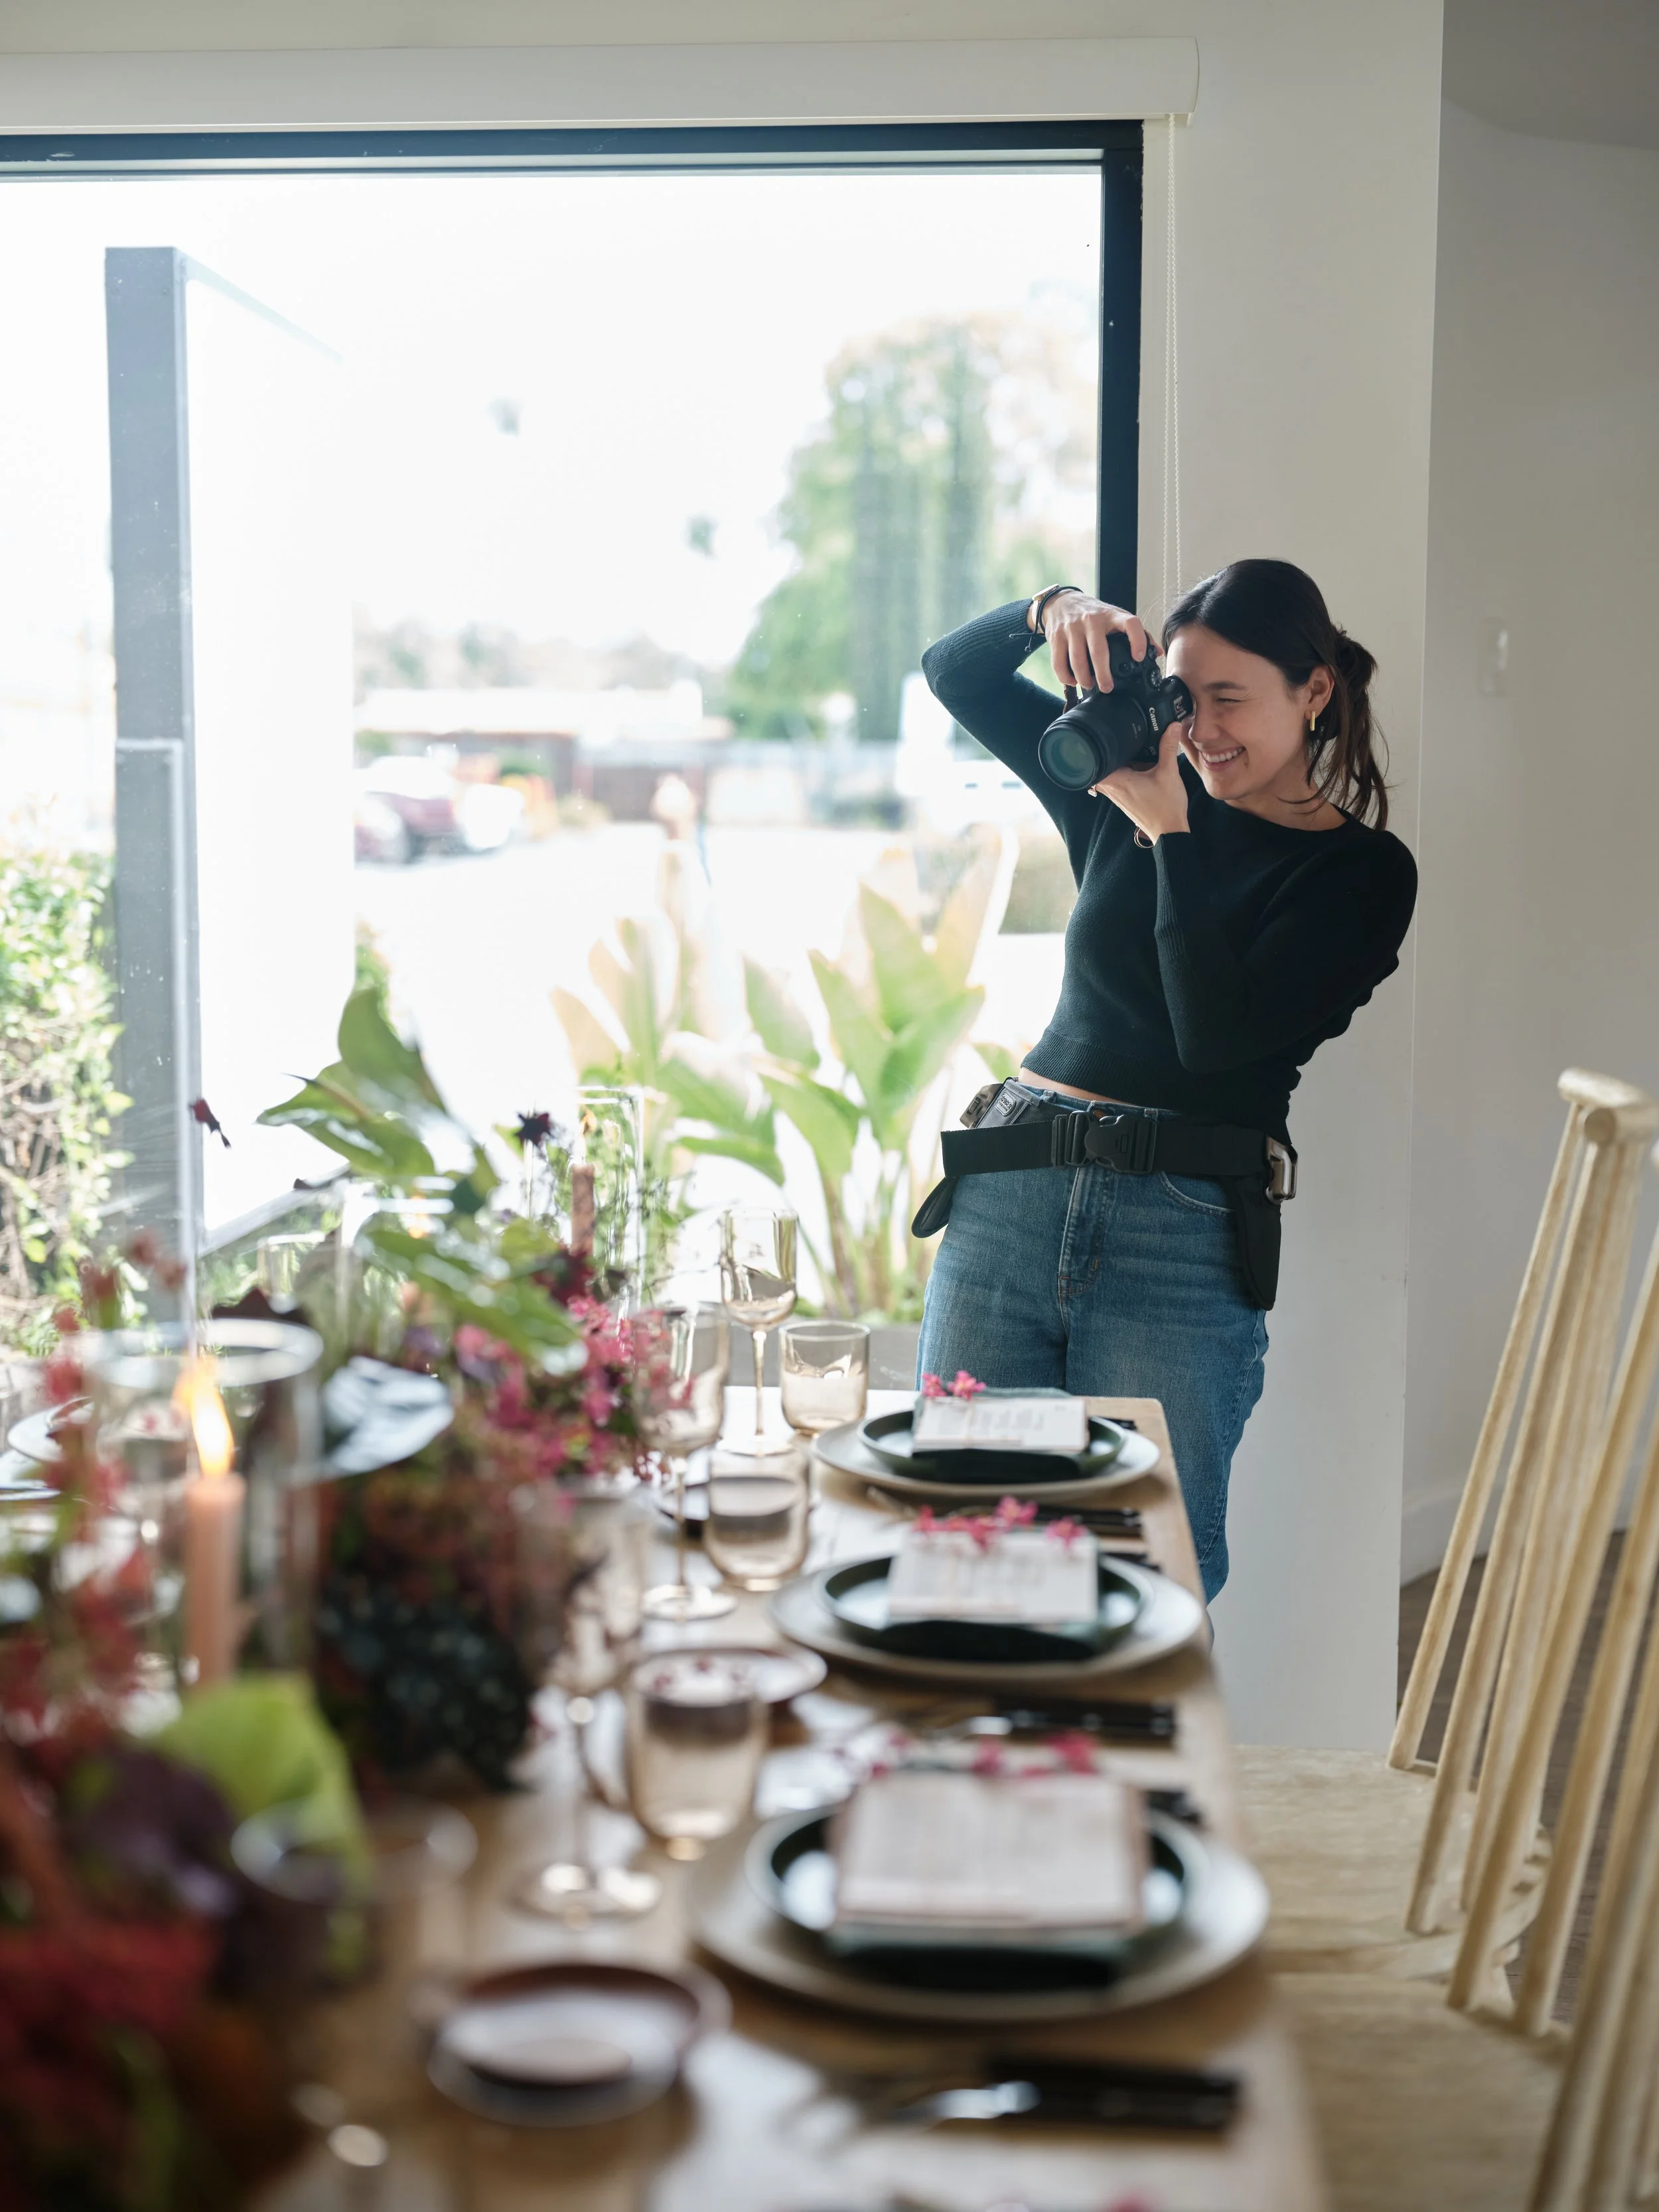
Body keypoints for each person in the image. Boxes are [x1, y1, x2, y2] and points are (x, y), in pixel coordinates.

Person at [913, 561, 1417, 1598]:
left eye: (1232, 697)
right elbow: (954, 674)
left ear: (1314, 690)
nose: (1205, 728)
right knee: (960, 1547)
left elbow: (1213, 1039)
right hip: (1010, 1191)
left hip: (1179, 1233)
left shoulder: (1361, 874)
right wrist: (1055, 609)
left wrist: (1173, 831)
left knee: (1142, 1577)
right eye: (1187, 697)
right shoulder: (1123, 784)